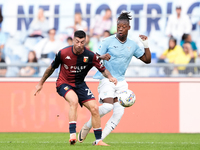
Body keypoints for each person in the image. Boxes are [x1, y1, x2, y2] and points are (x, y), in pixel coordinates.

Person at [34, 30, 117, 146]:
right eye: (77, 41)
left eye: (82, 42)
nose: (79, 44)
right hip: (63, 83)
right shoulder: (63, 53)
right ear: (73, 40)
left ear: (85, 41)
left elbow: (103, 69)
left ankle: (98, 141)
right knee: (74, 100)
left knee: (95, 109)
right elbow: (50, 68)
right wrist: (40, 83)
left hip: (80, 84)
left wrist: (110, 77)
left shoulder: (90, 55)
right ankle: (72, 134)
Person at [78, 12, 151, 144]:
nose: (120, 29)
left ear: (128, 27)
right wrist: (102, 56)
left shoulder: (133, 45)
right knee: (107, 107)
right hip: (106, 78)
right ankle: (88, 126)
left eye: (123, 26)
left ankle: (98, 141)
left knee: (118, 114)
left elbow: (147, 60)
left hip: (121, 82)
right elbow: (93, 58)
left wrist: (145, 45)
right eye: (118, 26)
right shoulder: (107, 41)